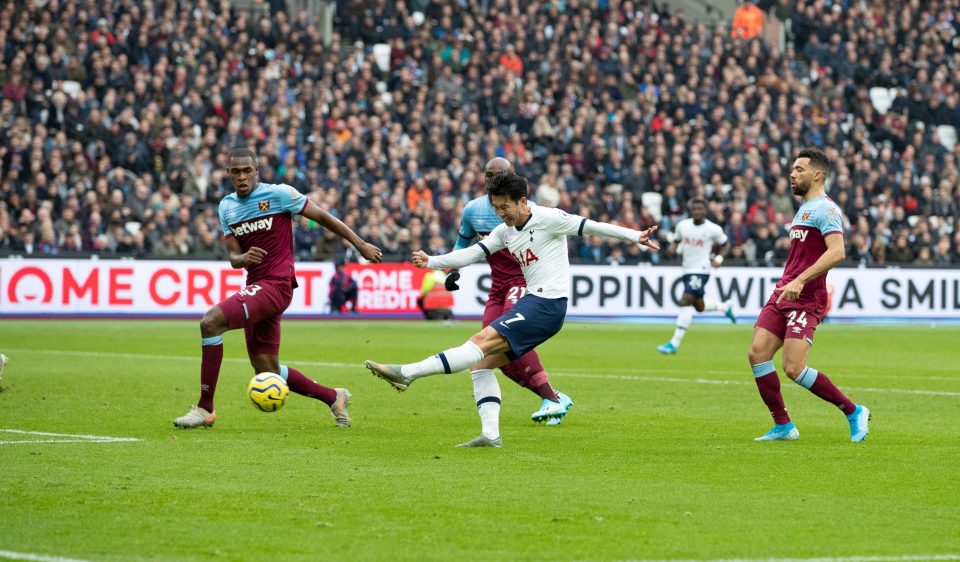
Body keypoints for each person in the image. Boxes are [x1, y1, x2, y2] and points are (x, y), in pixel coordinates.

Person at [364, 172, 659, 446]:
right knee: (481, 366)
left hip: (547, 305)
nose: (500, 213)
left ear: (522, 201)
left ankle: (407, 373)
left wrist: (635, 236)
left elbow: (591, 226)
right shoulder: (504, 232)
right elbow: (472, 254)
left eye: (505, 206)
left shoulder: (549, 218)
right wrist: (433, 261)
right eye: (495, 207)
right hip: (536, 303)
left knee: (479, 343)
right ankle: (490, 435)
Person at [173, 147, 383, 429]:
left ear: (257, 170)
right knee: (266, 369)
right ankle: (334, 397)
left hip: (278, 284)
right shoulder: (227, 207)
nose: (242, 177)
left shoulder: (280, 194)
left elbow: (323, 217)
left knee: (210, 322)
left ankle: (204, 408)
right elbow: (234, 257)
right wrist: (243, 258)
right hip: (256, 286)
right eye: (236, 172)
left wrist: (360, 244)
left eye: (248, 170)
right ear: (228, 174)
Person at [446, 157, 574, 450]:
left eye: (499, 174)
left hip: (523, 281)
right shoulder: (474, 210)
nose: (493, 178)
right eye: (489, 174)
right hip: (497, 286)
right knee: (487, 352)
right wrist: (453, 270)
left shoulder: (522, 208)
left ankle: (550, 398)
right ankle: (553, 396)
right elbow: (462, 242)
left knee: (503, 338)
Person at [748, 148, 870, 442]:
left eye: (799, 169)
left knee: (793, 367)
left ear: (817, 175)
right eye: (792, 169)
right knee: (757, 354)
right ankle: (784, 426)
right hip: (784, 292)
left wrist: (801, 279)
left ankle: (854, 411)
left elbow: (837, 252)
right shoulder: (804, 209)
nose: (792, 174)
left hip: (806, 296)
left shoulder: (826, 209)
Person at [657, 198, 736, 355]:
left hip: (702, 270)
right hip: (687, 270)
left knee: (685, 300)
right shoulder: (683, 226)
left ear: (705, 211)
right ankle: (725, 307)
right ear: (691, 210)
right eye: (695, 209)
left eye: (700, 209)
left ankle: (674, 343)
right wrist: (672, 248)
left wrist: (719, 258)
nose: (697, 211)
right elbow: (677, 241)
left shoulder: (712, 229)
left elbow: (726, 244)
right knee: (698, 306)